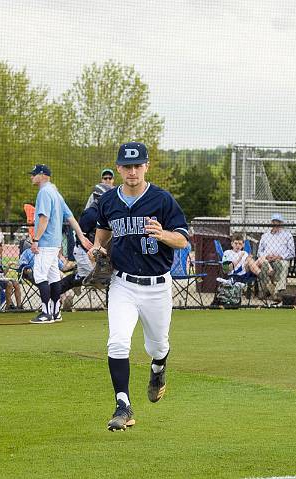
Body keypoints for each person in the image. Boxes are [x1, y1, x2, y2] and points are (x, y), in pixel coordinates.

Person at [89, 142, 189, 431]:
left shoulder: (162, 199)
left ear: (146, 166)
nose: (132, 171)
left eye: (137, 165)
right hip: (123, 284)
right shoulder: (108, 201)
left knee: (158, 346)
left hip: (157, 286)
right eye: (126, 166)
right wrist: (97, 250)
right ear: (119, 168)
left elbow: (183, 240)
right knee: (118, 341)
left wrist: (164, 234)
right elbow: (102, 236)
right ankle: (123, 405)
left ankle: (158, 368)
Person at [28, 164, 92, 324]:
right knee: (53, 276)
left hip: (45, 242)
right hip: (55, 243)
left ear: (42, 175)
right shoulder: (56, 193)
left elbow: (44, 218)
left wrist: (35, 239)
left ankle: (45, 313)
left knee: (40, 275)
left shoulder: (44, 192)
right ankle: (56, 312)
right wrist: (80, 235)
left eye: (34, 174)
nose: (31, 177)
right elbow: (70, 217)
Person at [60, 183, 113, 301]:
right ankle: (65, 285)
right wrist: (89, 250)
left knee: (108, 277)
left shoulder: (108, 211)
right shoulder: (90, 214)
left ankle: (77, 280)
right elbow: (80, 236)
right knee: (99, 278)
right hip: (83, 251)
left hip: (99, 251)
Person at [255, 213, 295, 300]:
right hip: (267, 259)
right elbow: (259, 252)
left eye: (278, 222)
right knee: (263, 264)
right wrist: (266, 256)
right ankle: (266, 290)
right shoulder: (265, 236)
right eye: (274, 222)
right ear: (271, 223)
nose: (276, 224)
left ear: (281, 223)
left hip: (281, 259)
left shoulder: (287, 235)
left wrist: (280, 256)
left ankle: (278, 291)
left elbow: (292, 253)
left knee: (283, 265)